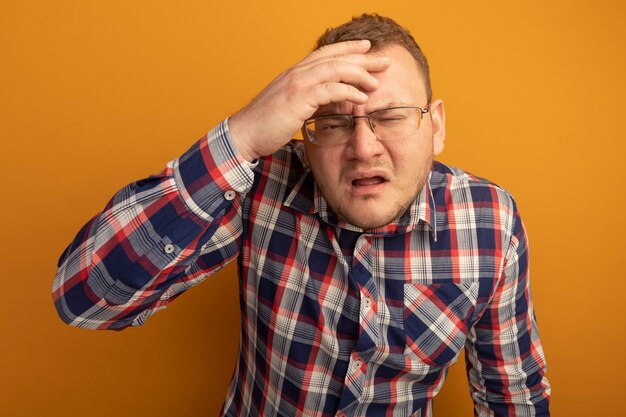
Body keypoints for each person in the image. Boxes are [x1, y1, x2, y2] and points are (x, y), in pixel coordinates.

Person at [53, 13, 550, 417]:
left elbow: (513, 397)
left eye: (392, 117)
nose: (363, 147)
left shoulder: (490, 221)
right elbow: (86, 299)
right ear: (306, 137)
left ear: (435, 126)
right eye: (334, 123)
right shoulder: (262, 182)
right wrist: (241, 136)